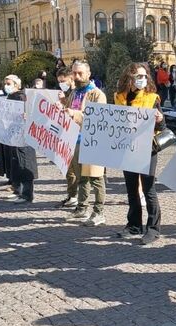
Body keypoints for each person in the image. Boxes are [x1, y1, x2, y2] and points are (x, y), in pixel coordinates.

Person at [114, 62, 166, 244]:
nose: (142, 79)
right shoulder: (119, 97)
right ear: (130, 78)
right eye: (138, 76)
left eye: (145, 76)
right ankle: (134, 225)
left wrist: (160, 119)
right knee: (131, 189)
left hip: (147, 149)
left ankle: (153, 228)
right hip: (127, 149)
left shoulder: (153, 98)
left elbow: (162, 126)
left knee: (148, 188)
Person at [65, 61, 108, 226]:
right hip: (75, 140)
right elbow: (69, 111)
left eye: (80, 73)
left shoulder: (97, 94)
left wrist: (74, 114)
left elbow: (98, 118)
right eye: (74, 73)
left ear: (88, 74)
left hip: (93, 142)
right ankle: (82, 209)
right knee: (81, 178)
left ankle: (99, 212)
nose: (76, 76)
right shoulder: (74, 93)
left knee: (96, 179)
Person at [3, 75, 37, 204]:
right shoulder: (10, 96)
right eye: (5, 83)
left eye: (9, 83)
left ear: (17, 84)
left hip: (24, 136)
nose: (6, 85)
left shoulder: (22, 97)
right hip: (13, 135)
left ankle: (27, 194)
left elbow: (31, 113)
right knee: (16, 163)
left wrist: (27, 115)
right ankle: (18, 190)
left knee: (24, 163)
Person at [54, 67, 80, 208]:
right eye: (59, 82)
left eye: (63, 81)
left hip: (76, 135)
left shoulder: (77, 93)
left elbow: (75, 111)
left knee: (76, 170)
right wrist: (63, 102)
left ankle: (77, 198)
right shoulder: (68, 93)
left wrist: (65, 103)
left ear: (71, 79)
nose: (61, 84)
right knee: (68, 168)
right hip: (66, 134)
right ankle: (71, 195)